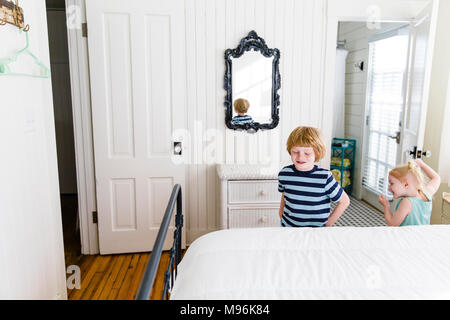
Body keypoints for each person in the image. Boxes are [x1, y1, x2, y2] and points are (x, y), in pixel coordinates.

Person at [278, 126, 350, 227]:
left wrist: (328, 224)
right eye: (295, 152)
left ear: (317, 153)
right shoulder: (284, 174)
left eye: (307, 153)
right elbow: (285, 195)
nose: (300, 157)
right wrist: (281, 213)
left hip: (316, 232)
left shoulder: (325, 177)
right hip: (289, 228)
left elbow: (344, 201)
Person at [378, 159, 441, 226]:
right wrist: (422, 165)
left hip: (409, 236)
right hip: (423, 234)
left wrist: (386, 206)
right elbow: (437, 178)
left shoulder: (407, 202)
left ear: (406, 184)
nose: (389, 188)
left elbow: (392, 224)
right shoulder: (427, 193)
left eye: (392, 183)